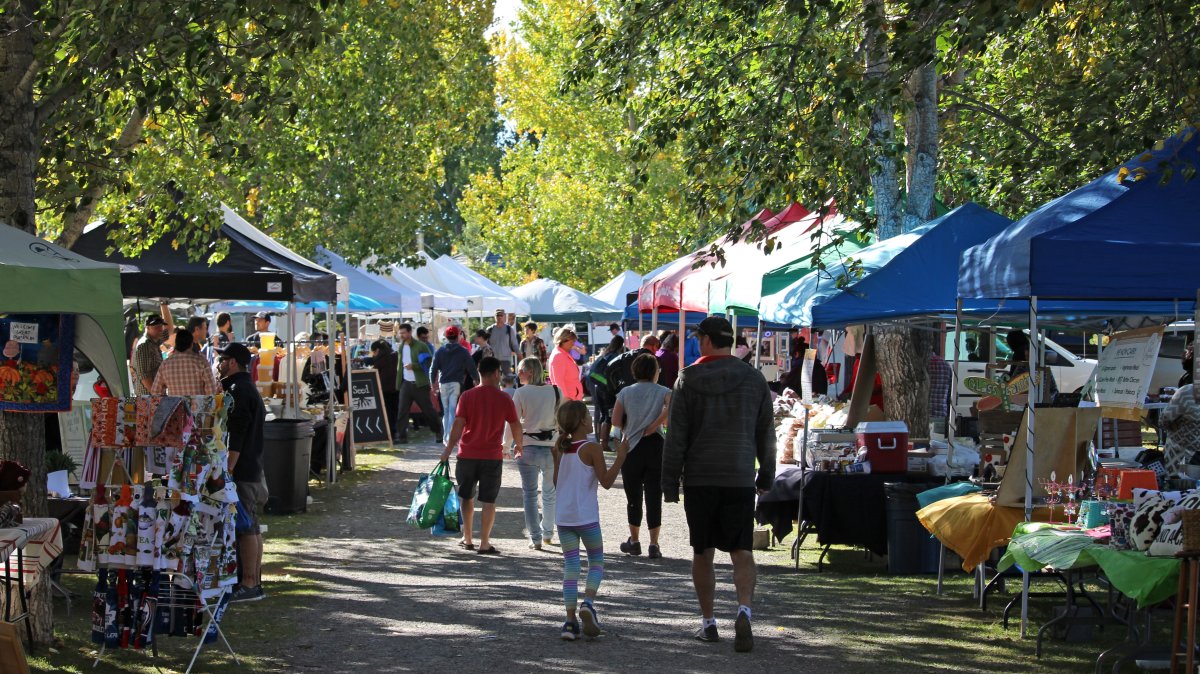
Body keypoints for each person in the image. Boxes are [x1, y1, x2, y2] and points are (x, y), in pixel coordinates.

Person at [662, 316, 775, 653]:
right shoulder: (754, 379)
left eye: (698, 338)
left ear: (707, 341)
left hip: (700, 477)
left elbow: (676, 436)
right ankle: (743, 610)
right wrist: (766, 475)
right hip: (739, 476)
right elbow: (766, 434)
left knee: (702, 551)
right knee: (742, 550)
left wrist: (669, 482)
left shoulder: (687, 378)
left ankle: (709, 622)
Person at [552, 400, 628, 641]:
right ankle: (589, 602)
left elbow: (556, 482)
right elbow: (606, 481)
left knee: (571, 567)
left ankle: (569, 621)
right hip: (586, 517)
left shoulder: (560, 448)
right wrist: (620, 458)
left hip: (564, 518)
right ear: (584, 421)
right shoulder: (591, 448)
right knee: (596, 561)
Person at [439, 356, 522, 555]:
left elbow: (458, 426)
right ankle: (484, 542)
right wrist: (519, 445)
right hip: (492, 456)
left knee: (466, 497)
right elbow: (515, 424)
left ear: (479, 373)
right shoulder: (504, 398)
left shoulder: (467, 396)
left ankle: (467, 538)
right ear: (496, 374)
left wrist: (448, 449)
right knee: (489, 501)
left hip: (467, 454)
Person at [217, 343, 268, 603]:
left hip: (244, 468)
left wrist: (228, 469)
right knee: (252, 526)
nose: (220, 363)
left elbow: (237, 435)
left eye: (223, 359)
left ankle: (249, 583)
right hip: (252, 466)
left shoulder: (239, 390)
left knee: (247, 528)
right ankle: (254, 581)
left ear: (234, 362)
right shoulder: (245, 387)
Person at [611, 353, 671, 559]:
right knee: (654, 494)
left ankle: (634, 540)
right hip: (655, 444)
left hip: (632, 445)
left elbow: (616, 420)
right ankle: (654, 543)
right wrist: (655, 424)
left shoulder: (625, 392)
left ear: (634, 371)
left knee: (633, 495)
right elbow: (674, 405)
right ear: (655, 372)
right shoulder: (663, 391)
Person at [513, 357, 559, 550]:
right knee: (550, 493)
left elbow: (513, 422)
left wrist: (508, 444)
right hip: (552, 446)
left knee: (529, 494)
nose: (518, 373)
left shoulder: (521, 393)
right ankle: (548, 532)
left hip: (528, 445)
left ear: (530, 372)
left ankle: (536, 537)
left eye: (521, 370)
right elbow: (562, 418)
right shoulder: (556, 391)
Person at [395, 323, 443, 444]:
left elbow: (429, 362)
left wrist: (414, 366)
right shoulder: (401, 347)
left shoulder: (421, 346)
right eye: (400, 333)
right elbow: (400, 366)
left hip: (420, 383)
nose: (402, 335)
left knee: (428, 411)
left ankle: (438, 431)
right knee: (402, 410)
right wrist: (398, 383)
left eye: (404, 333)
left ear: (410, 333)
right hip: (406, 383)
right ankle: (401, 436)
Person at [429, 326, 479, 437]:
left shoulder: (440, 351)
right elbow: (472, 367)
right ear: (458, 336)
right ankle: (451, 436)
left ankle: (446, 436)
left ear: (446, 337)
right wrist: (476, 380)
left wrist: (433, 383)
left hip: (443, 383)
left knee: (446, 411)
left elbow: (433, 369)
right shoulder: (463, 351)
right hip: (457, 383)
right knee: (452, 410)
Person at [151, 328, 220, 395]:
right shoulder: (201, 361)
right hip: (198, 406)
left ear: (176, 344)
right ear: (191, 344)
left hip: (176, 406)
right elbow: (211, 391)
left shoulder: (165, 364)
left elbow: (155, 391)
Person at [1006, 329, 1058, 402]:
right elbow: (1013, 385)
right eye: (1026, 356)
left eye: (1029, 356)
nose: (1027, 358)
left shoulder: (1045, 370)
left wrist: (1048, 398)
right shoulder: (1021, 367)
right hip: (1025, 402)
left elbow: (1054, 390)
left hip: (1040, 403)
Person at [1162, 384, 1200, 477]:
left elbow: (1163, 420)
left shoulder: (1186, 392)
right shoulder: (1187, 392)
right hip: (1184, 454)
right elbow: (1164, 420)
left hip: (1182, 453)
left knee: (1180, 487)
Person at [369, 340, 400, 441]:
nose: (374, 354)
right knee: (395, 411)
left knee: (387, 412)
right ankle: (396, 433)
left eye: (374, 352)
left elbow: (375, 369)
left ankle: (390, 433)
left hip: (385, 389)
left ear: (377, 350)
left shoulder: (381, 359)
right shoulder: (395, 355)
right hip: (396, 387)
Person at [132, 315, 169, 395]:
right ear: (147, 328)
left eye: (161, 326)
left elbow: (169, 330)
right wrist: (156, 394)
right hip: (148, 395)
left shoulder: (154, 341)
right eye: (156, 327)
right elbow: (144, 375)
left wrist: (164, 304)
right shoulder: (144, 345)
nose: (160, 329)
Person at [548, 327, 584, 401]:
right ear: (564, 341)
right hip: (569, 401)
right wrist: (566, 401)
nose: (573, 344)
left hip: (572, 399)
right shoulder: (559, 356)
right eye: (572, 341)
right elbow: (559, 382)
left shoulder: (562, 353)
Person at [487, 309, 521, 374]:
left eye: (501, 315)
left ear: (505, 317)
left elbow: (514, 344)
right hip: (493, 359)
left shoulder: (509, 329)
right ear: (495, 317)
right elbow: (486, 344)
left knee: (507, 378)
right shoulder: (490, 329)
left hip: (506, 359)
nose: (499, 317)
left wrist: (519, 354)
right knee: (494, 378)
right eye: (497, 315)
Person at [928, 350, 954, 422]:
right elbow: (951, 392)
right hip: (941, 413)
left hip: (923, 412)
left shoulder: (922, 365)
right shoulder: (946, 365)